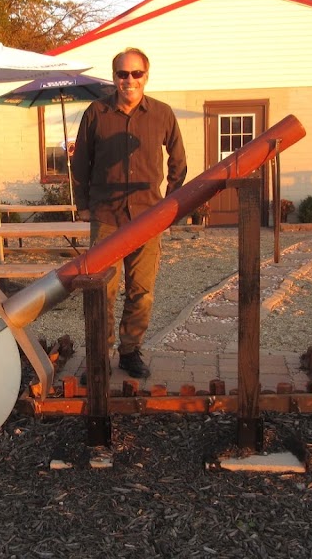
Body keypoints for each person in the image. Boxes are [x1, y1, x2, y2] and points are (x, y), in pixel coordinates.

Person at [70, 47, 187, 379]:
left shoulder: (162, 114)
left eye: (136, 73)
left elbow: (179, 161)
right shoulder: (96, 113)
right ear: (114, 77)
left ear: (146, 76)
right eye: (123, 74)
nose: (129, 80)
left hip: (148, 217)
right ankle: (99, 356)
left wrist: (170, 205)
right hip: (106, 217)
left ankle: (130, 351)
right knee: (101, 291)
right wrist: (83, 205)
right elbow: (80, 163)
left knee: (142, 292)